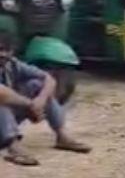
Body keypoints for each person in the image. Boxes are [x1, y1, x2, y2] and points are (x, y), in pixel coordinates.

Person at [0, 32, 91, 166]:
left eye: (4, 50)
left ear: (11, 51)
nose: (1, 54)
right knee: (2, 102)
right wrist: (31, 104)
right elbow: (2, 93)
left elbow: (48, 79)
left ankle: (62, 136)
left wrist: (41, 100)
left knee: (38, 86)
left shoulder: (12, 64)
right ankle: (13, 147)